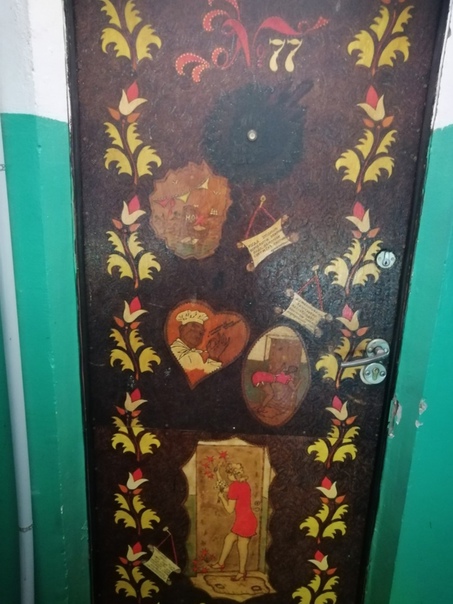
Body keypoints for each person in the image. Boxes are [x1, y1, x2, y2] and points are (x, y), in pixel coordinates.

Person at [211, 462, 258, 581]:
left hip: (245, 522)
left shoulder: (234, 487)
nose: (227, 476)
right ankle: (221, 563)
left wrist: (222, 497)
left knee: (242, 546)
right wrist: (217, 473)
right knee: (229, 539)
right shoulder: (243, 484)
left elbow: (229, 510)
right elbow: (223, 487)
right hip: (245, 520)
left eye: (228, 474)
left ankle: (242, 572)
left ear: (232, 474)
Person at [170, 310, 228, 374]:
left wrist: (213, 357)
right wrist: (213, 359)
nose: (197, 335)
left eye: (201, 333)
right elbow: (203, 374)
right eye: (193, 330)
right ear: (181, 329)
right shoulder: (176, 352)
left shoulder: (195, 354)